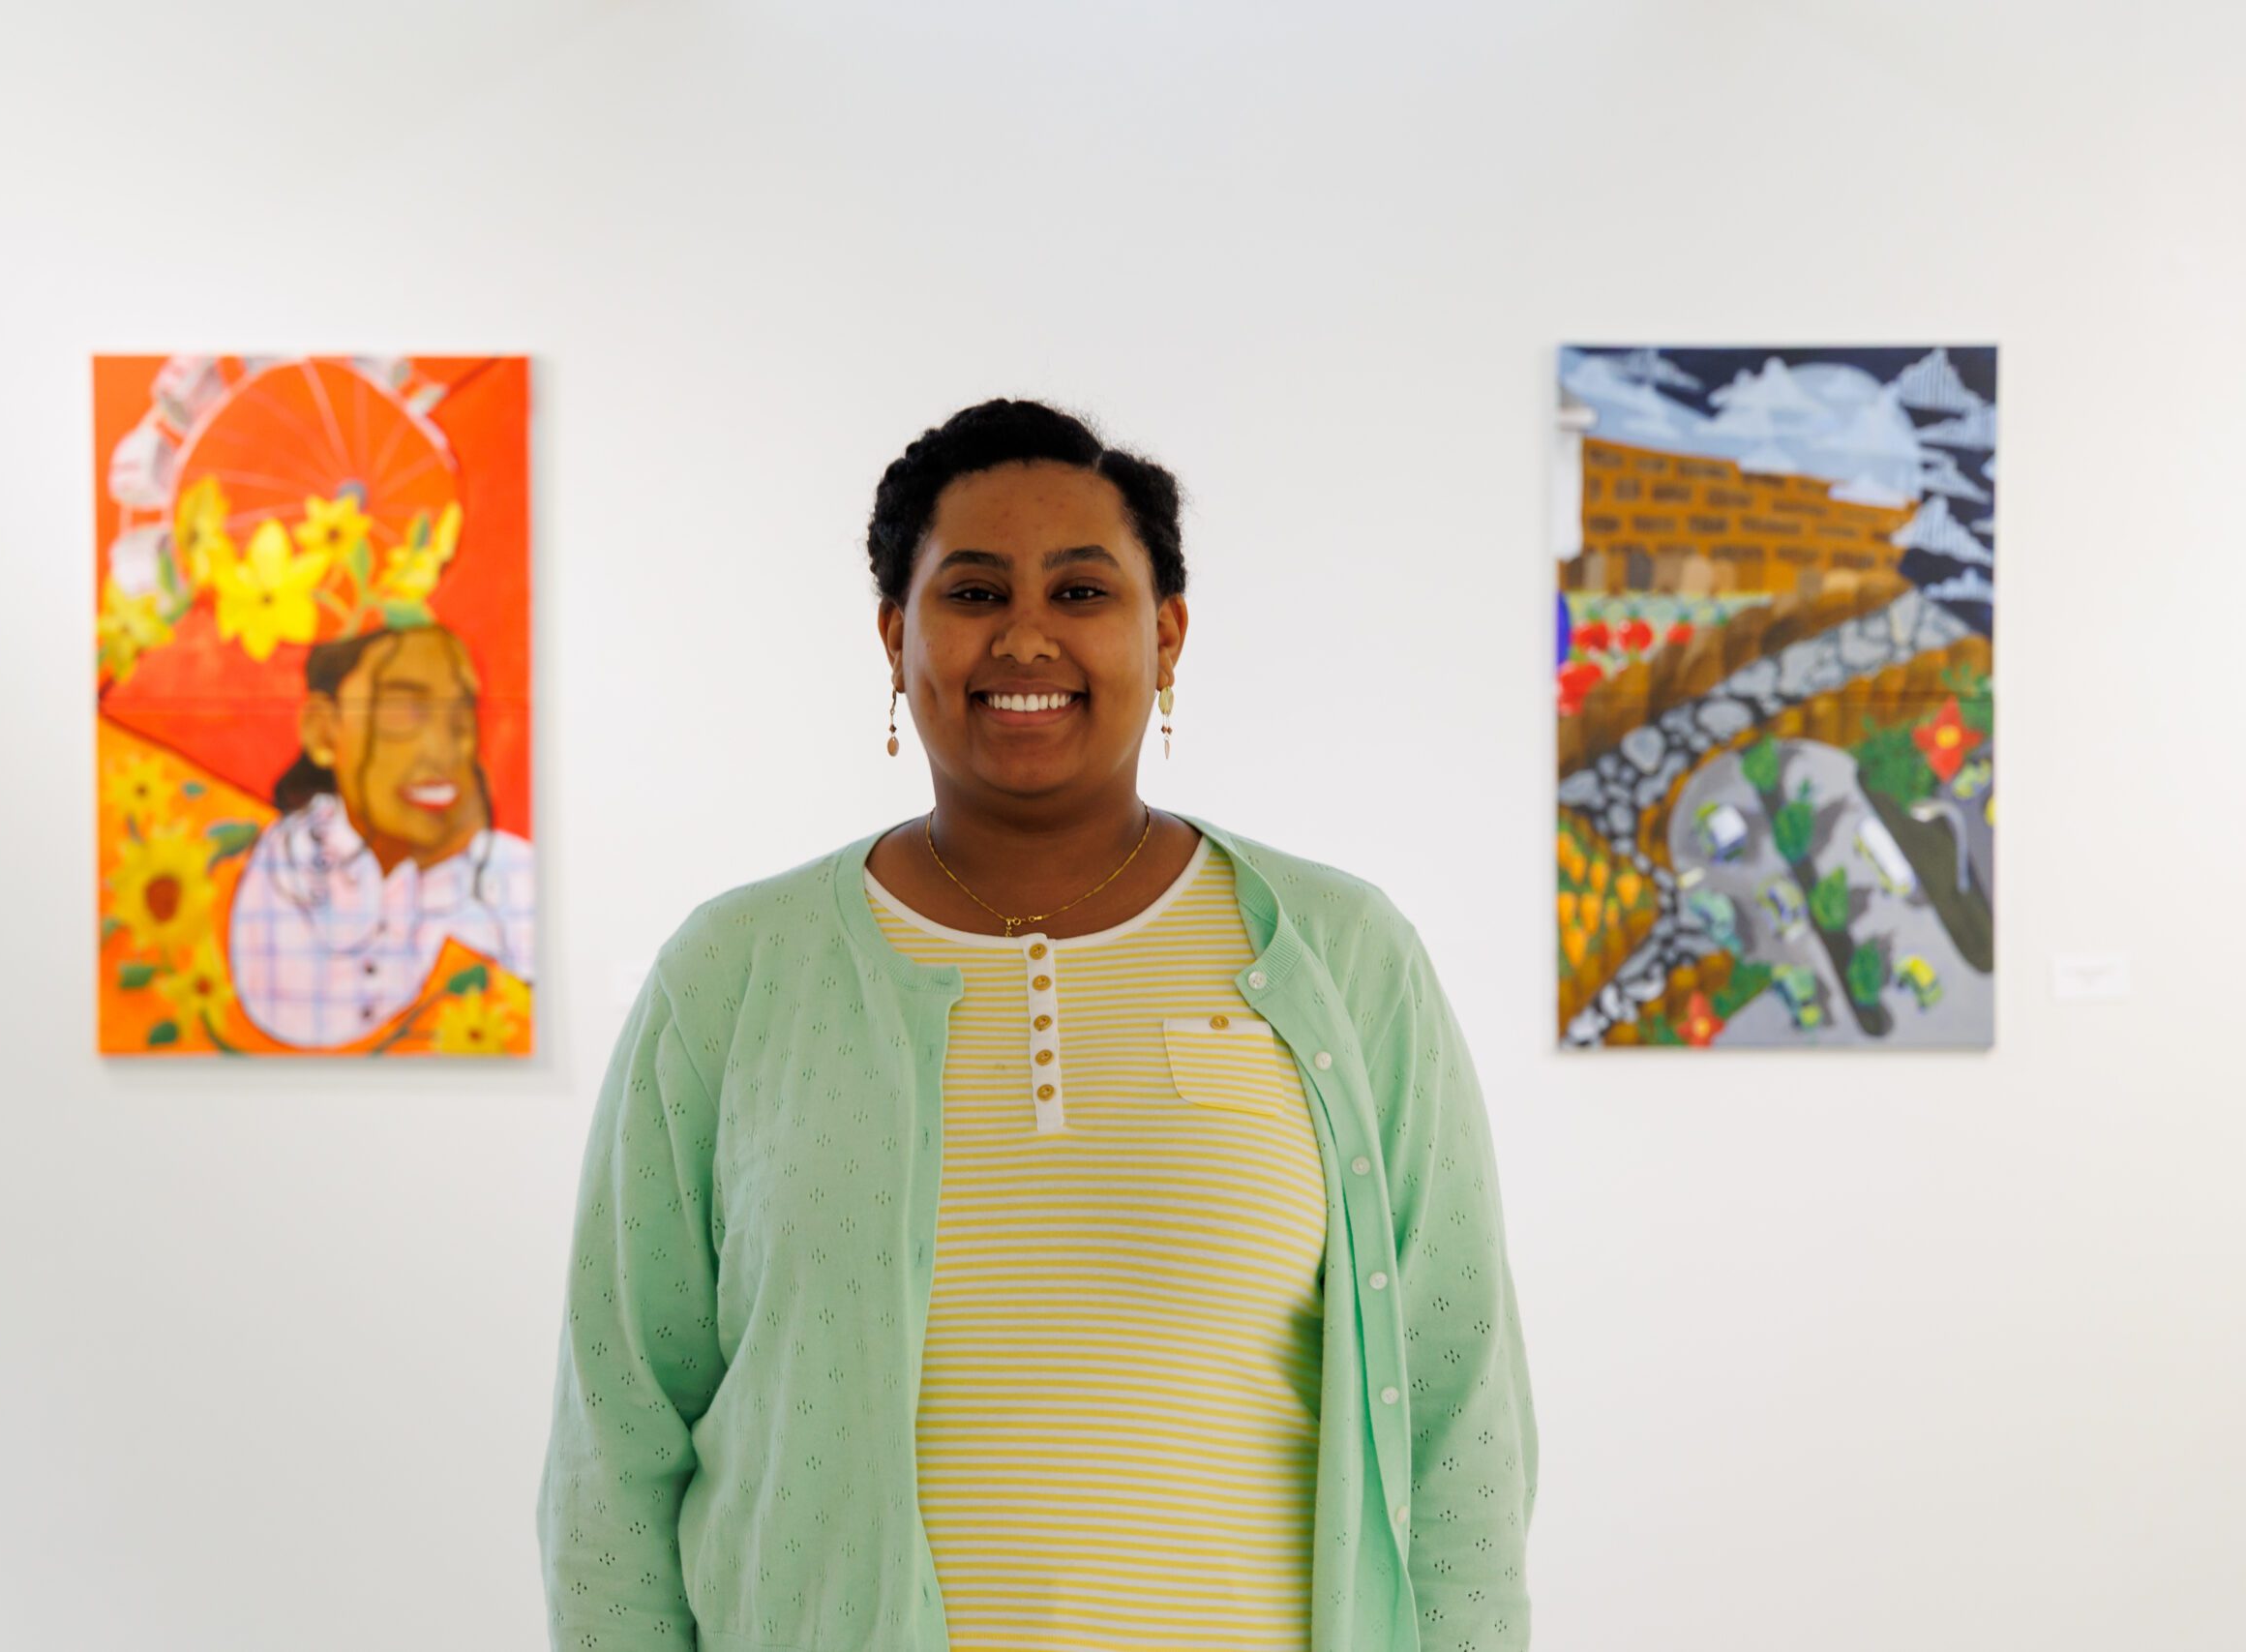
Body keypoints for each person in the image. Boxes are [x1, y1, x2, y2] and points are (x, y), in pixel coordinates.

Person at [538, 400, 1536, 1651]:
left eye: (1080, 591)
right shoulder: (736, 974)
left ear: (1165, 635)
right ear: (895, 635)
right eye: (971, 592)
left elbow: (1458, 1419)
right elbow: (620, 1436)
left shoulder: (1340, 955)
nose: (1024, 635)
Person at [228, 622, 535, 1048]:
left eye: (460, 712)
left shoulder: (515, 878)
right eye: (404, 710)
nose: (445, 749)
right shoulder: (282, 868)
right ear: (323, 730)